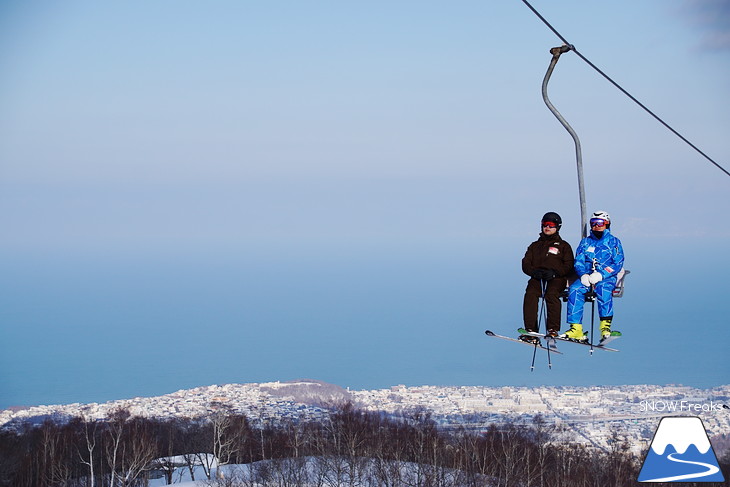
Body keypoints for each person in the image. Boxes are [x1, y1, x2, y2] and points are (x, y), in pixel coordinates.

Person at [562, 210, 625, 342]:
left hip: (605, 277)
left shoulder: (614, 242)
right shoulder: (585, 242)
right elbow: (578, 260)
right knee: (575, 290)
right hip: (587, 276)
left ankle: (605, 327)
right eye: (593, 223)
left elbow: (618, 262)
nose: (596, 226)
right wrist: (583, 274)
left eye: (600, 223)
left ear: (607, 224)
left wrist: (602, 274)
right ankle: (576, 328)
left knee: (604, 290)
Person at [520, 212, 575, 342]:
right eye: (545, 224)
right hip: (538, 277)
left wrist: (555, 272)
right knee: (531, 294)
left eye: (551, 225)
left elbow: (569, 265)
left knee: (551, 294)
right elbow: (525, 263)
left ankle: (553, 329)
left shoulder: (563, 246)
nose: (547, 228)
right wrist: (534, 272)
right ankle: (531, 330)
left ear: (557, 227)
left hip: (556, 278)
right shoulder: (535, 246)